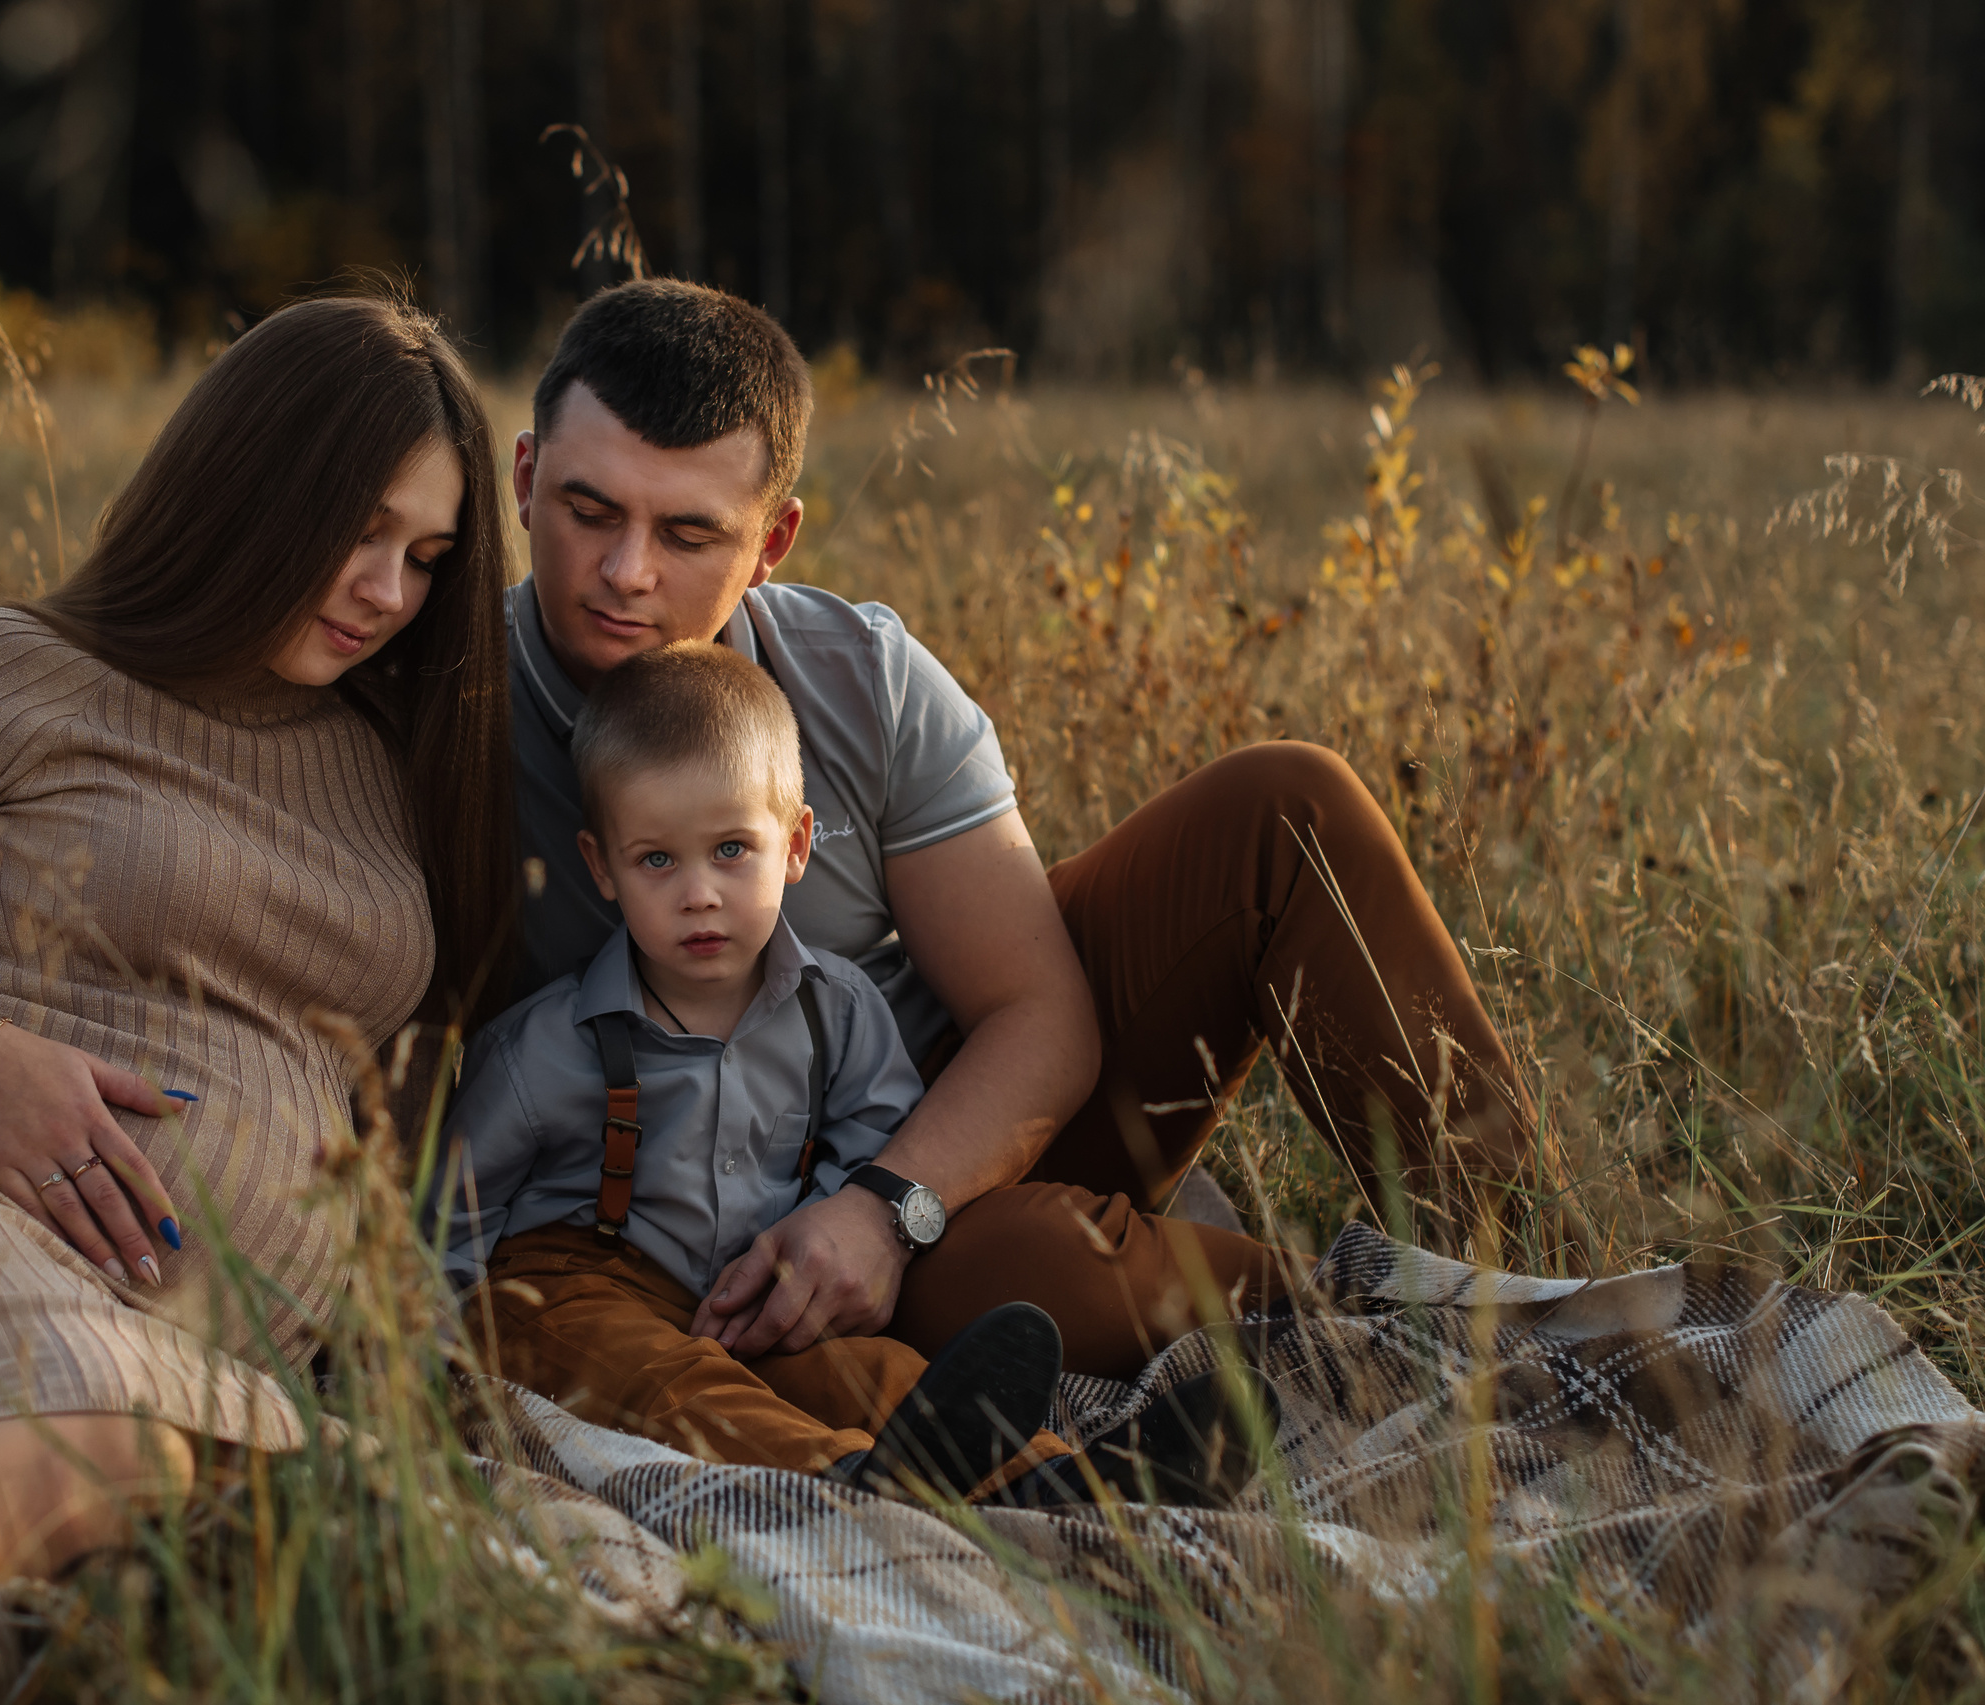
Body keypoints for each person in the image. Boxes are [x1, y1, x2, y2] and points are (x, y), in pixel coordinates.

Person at [0, 295, 515, 1704]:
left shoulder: (387, 759)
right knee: (107, 1449)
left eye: (427, 558)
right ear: (248, 486)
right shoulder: (6, 670)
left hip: (188, 1350)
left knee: (240, 1518)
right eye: (360, 531)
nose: (387, 591)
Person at [502, 279, 1570, 1383]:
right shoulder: (441, 723)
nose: (627, 573)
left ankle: (1573, 1296)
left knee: (1284, 807)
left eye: (687, 533)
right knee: (1010, 1279)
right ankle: (1414, 1334)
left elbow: (1040, 1018)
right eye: (590, 512)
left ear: (771, 541)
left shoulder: (861, 678)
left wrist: (884, 1209)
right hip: (710, 1230)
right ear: (526, 479)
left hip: (936, 1144)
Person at [439, 640, 1063, 1499]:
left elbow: (877, 1135)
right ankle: (842, 1478)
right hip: (579, 1282)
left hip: (754, 1288)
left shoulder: (834, 1011)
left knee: (870, 1371)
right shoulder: (544, 1047)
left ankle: (1061, 1478)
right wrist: (424, 1358)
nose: (699, 893)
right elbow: (451, 1216)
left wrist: (823, 1230)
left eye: (732, 849)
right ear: (601, 867)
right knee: (656, 1377)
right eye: (657, 859)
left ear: (797, 843)